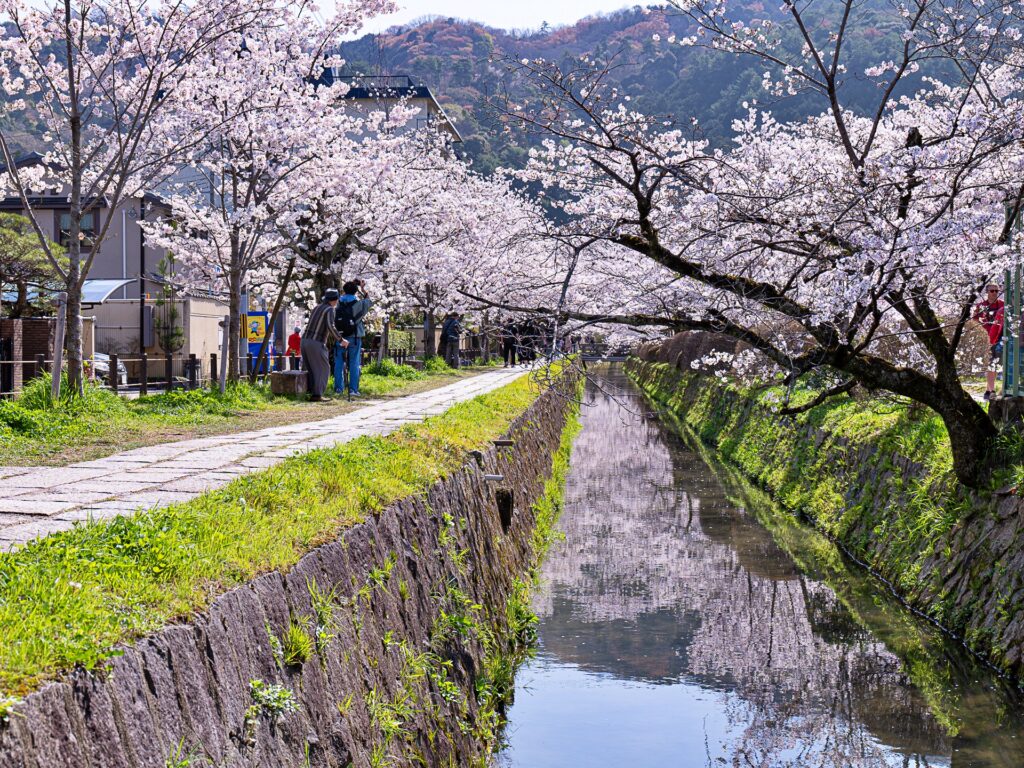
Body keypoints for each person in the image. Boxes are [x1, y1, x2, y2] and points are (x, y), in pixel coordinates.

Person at [301, 289, 348, 402]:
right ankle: (317, 395)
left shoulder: (317, 307)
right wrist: (341, 340)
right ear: (335, 300)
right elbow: (331, 326)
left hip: (304, 341)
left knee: (311, 368)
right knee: (323, 368)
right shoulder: (330, 309)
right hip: (316, 342)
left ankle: (310, 392)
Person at [334, 279, 373, 397]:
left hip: (339, 336)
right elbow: (369, 300)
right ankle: (353, 389)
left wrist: (351, 285)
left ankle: (338, 389)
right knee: (354, 362)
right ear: (355, 292)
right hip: (354, 336)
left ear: (344, 291)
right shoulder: (359, 304)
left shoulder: (338, 303)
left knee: (338, 362)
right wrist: (362, 288)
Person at [974, 284, 1005, 401]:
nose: (994, 293)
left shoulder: (1002, 305)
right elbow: (975, 321)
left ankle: (989, 390)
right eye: (992, 291)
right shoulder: (981, 306)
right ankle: (991, 390)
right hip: (987, 337)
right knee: (992, 364)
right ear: (987, 292)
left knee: (996, 364)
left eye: (996, 291)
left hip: (1000, 337)